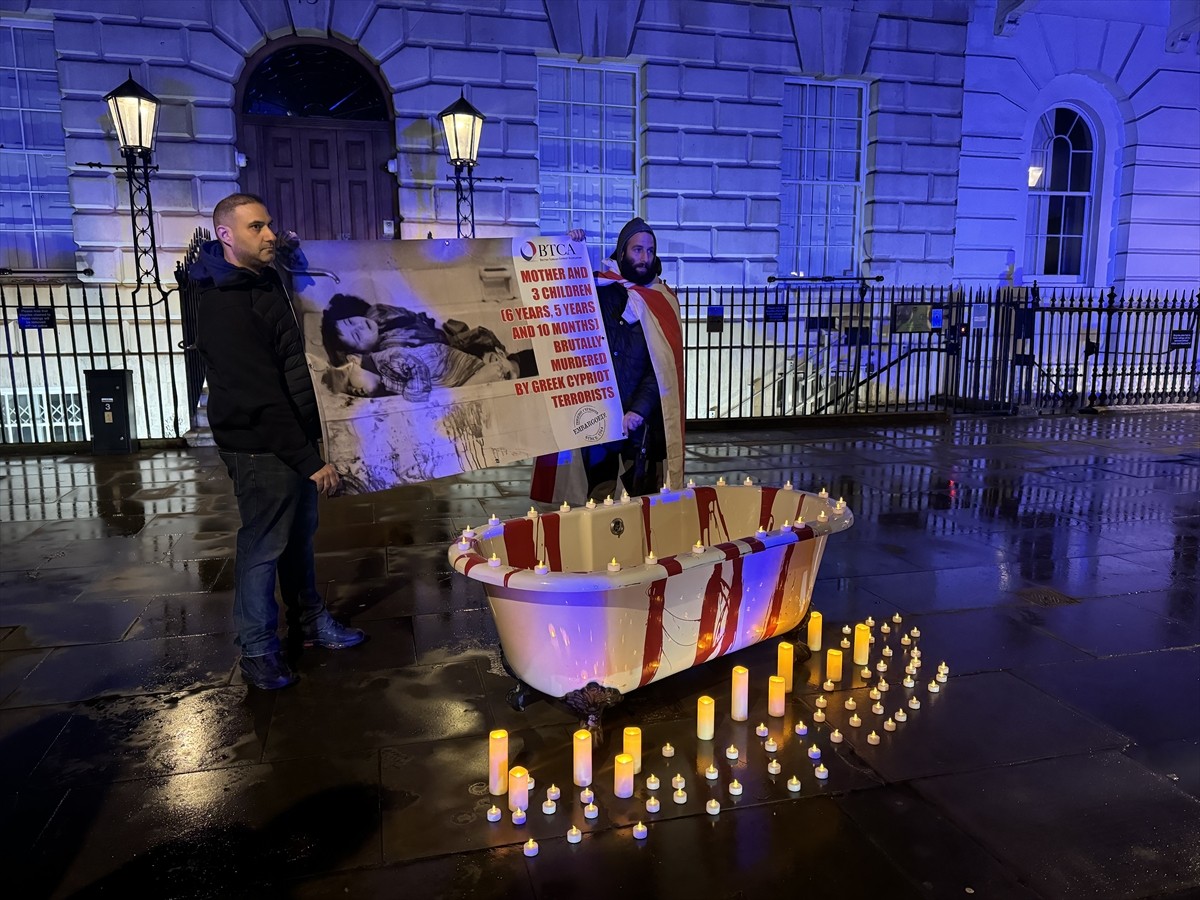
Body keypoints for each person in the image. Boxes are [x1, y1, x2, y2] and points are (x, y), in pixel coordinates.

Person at [192, 192, 364, 691]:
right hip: (261, 445)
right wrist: (308, 460)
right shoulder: (225, 305)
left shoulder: (262, 278)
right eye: (255, 228)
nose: (269, 235)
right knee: (263, 545)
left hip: (292, 435)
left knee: (297, 540)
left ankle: (310, 622)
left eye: (270, 225)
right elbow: (259, 398)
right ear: (226, 236)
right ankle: (258, 649)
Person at [531, 218, 685, 504]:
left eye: (650, 251)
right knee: (596, 501)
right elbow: (555, 300)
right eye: (638, 250)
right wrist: (567, 248)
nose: (645, 258)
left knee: (643, 503)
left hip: (642, 425)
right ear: (622, 251)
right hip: (598, 417)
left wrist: (637, 411)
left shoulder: (661, 299)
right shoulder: (598, 289)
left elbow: (663, 369)